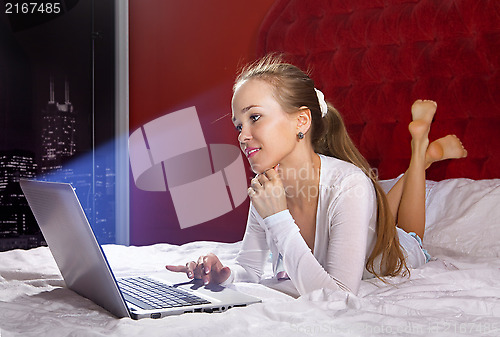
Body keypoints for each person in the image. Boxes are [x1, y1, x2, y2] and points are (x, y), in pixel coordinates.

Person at [166, 55, 467, 296]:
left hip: (397, 247)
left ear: (301, 120)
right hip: (361, 207)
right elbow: (251, 268)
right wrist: (225, 274)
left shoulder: (348, 183)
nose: (243, 136)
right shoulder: (266, 188)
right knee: (377, 206)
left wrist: (278, 218)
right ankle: (419, 158)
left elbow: (340, 296)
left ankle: (420, 154)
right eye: (238, 125)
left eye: (254, 117)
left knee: (410, 235)